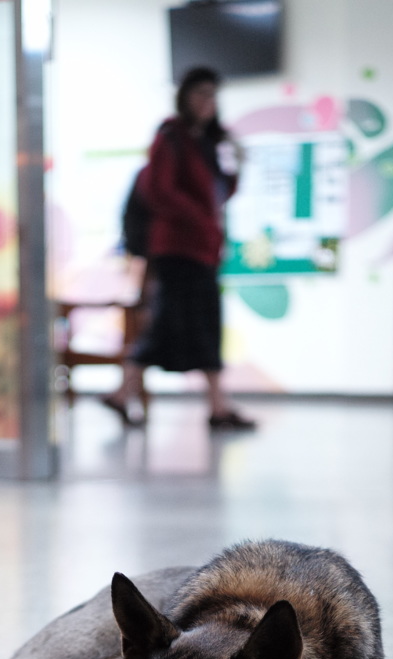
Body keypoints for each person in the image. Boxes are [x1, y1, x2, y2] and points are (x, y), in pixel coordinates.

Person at [104, 66, 255, 431]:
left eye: (212, 95)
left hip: (203, 250)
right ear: (186, 97)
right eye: (200, 94)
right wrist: (199, 219)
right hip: (177, 251)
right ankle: (132, 394)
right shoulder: (171, 137)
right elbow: (161, 191)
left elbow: (219, 195)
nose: (208, 102)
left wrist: (236, 169)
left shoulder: (210, 143)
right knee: (170, 325)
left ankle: (132, 394)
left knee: (201, 325)